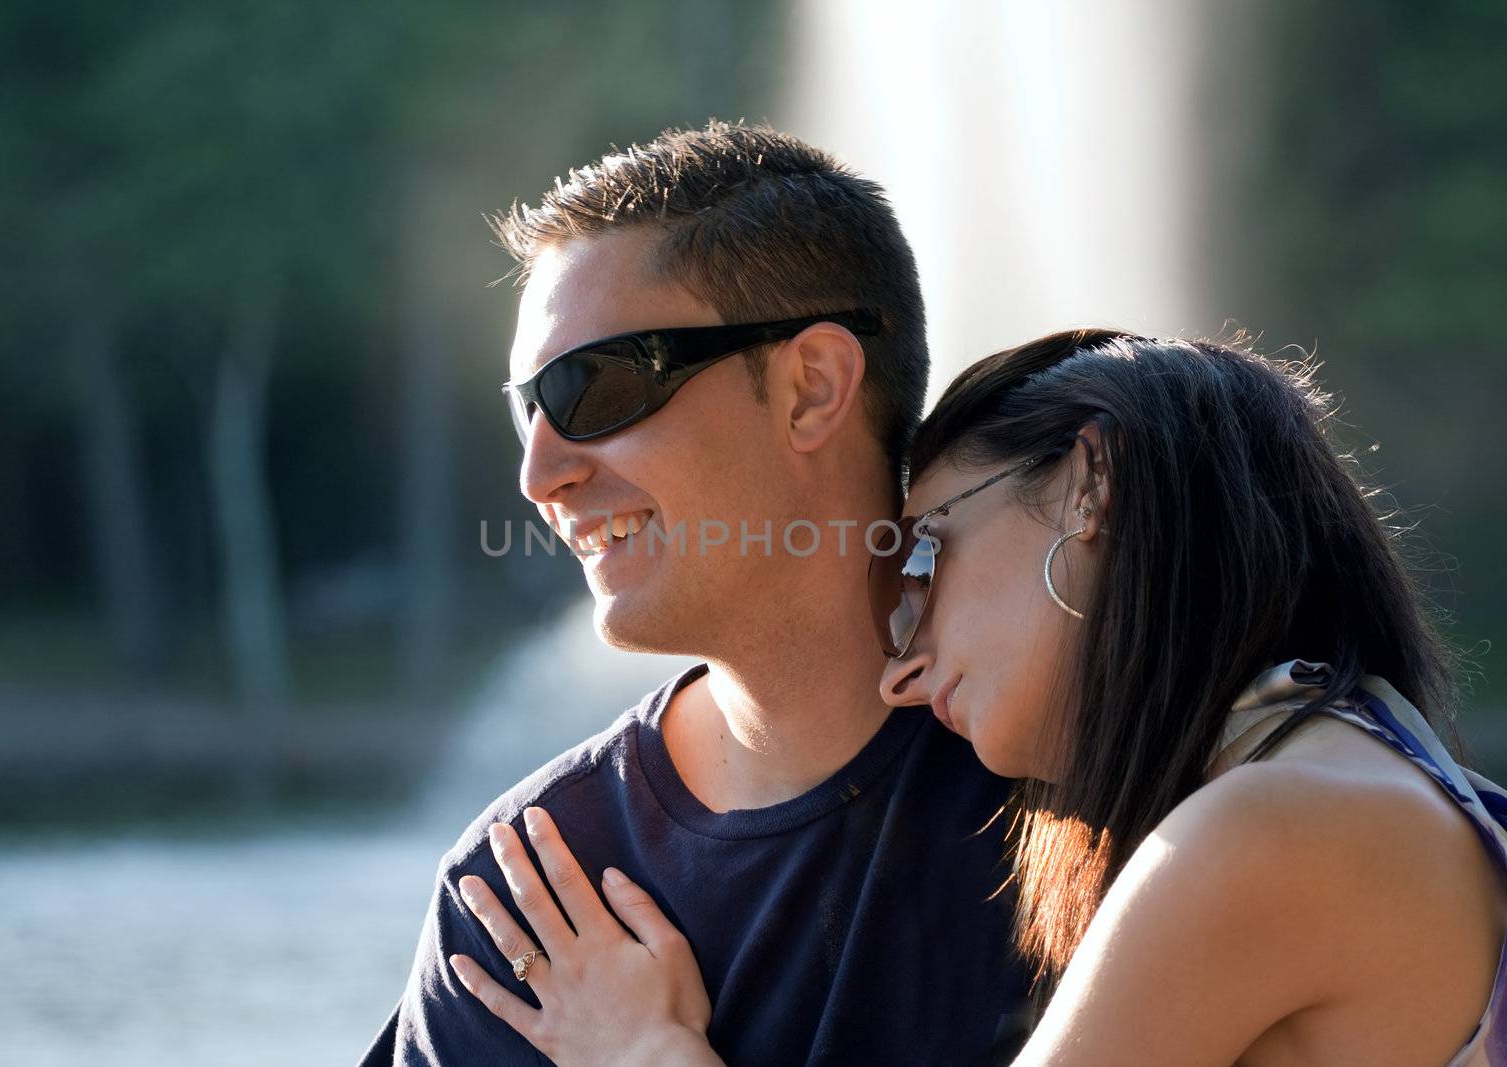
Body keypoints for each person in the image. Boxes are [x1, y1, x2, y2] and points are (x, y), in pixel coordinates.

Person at [449, 330, 1507, 1065]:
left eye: (925, 554)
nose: (900, 666)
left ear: (1089, 482)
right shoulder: (1366, 773)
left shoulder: (1275, 830)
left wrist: (645, 1048)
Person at [357, 122, 1034, 1066]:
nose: (538, 474)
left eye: (591, 387)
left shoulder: (1096, 792)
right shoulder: (531, 902)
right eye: (529, 407)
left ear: (811, 387)